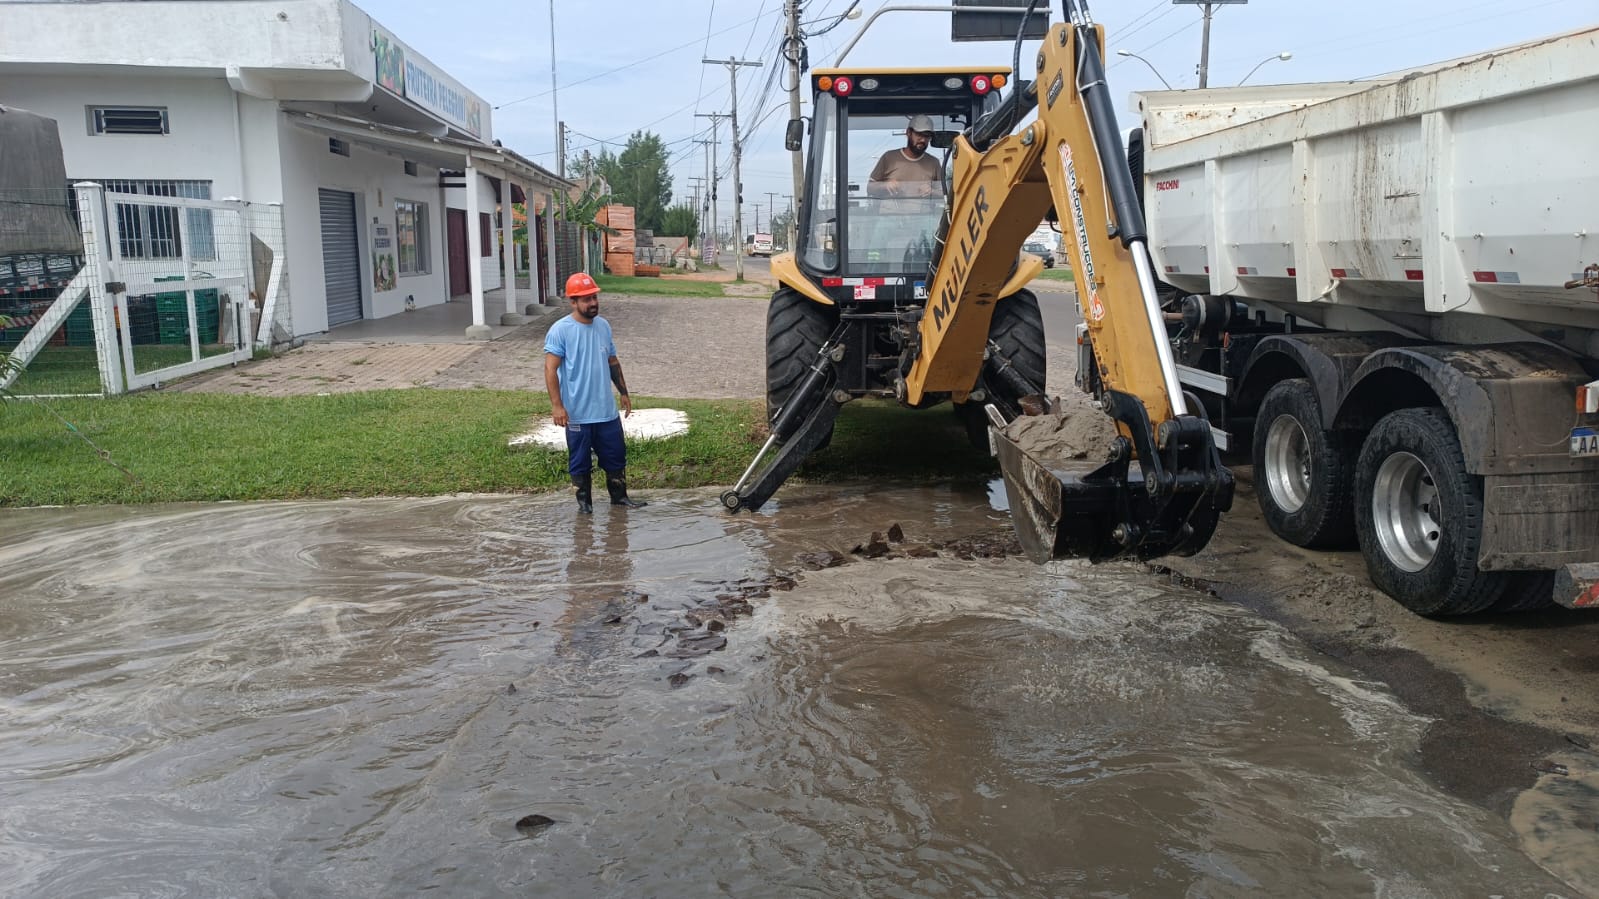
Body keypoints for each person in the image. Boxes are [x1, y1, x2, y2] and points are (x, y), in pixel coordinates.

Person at [544, 271, 646, 513]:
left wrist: (623, 392)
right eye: (586, 299)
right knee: (579, 463)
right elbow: (550, 369)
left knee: (616, 457)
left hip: (606, 413)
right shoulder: (561, 330)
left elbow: (612, 361)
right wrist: (557, 406)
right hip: (577, 414)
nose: (593, 303)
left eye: (594, 297)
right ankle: (585, 506)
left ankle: (619, 499)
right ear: (573, 302)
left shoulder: (603, 326)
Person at [867, 114, 943, 200]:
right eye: (919, 134)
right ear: (908, 133)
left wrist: (932, 192)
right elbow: (870, 188)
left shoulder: (934, 163)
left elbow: (945, 194)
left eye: (927, 136)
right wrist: (885, 185)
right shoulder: (889, 157)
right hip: (890, 213)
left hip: (924, 214)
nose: (923, 140)